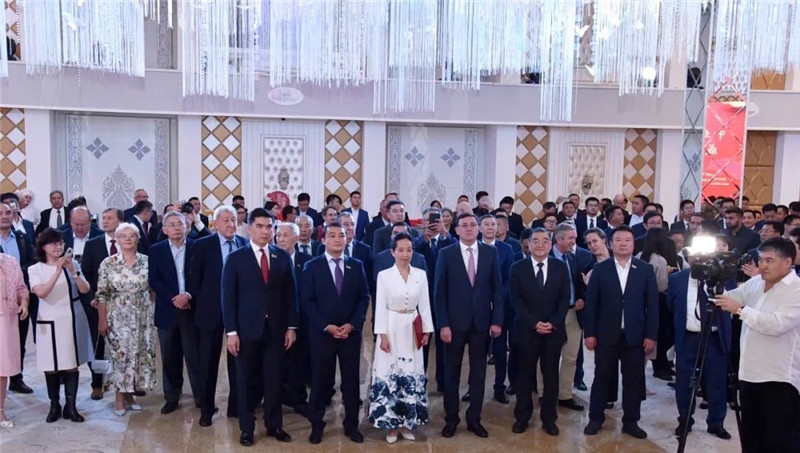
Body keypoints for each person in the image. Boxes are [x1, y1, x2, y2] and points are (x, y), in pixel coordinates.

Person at [714, 237, 800, 453]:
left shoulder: (796, 290)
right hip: (750, 374)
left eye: (769, 260)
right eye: (761, 260)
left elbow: (777, 325)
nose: (763, 266)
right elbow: (728, 298)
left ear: (787, 262)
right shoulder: (756, 282)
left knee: (779, 442)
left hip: (779, 378)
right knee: (752, 438)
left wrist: (740, 310)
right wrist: (714, 281)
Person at [222, 208, 297, 446]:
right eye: (260, 226)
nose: (265, 231)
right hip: (246, 330)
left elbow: (291, 295)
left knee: (274, 379)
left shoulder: (282, 256)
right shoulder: (236, 258)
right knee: (246, 381)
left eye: (269, 227)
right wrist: (231, 332)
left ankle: (274, 425)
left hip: (276, 330)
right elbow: (228, 297)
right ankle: (247, 428)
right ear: (250, 228)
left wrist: (291, 327)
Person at [583, 225, 659, 439]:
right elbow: (592, 304)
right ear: (610, 243)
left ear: (634, 244)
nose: (623, 243)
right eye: (618, 240)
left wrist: (651, 335)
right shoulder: (600, 269)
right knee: (602, 377)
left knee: (634, 380)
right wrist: (590, 333)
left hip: (636, 335)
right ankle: (596, 418)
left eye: (627, 240)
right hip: (606, 334)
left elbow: (653, 306)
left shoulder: (645, 269)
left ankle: (631, 421)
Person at [435, 213, 503, 439]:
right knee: (451, 374)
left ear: (479, 228)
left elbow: (497, 290)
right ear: (456, 230)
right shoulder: (446, 253)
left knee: (479, 374)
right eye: (464, 225)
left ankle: (474, 419)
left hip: (481, 323)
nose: (469, 228)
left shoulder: (490, 253)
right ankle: (451, 419)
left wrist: (497, 320)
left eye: (473, 224)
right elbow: (439, 293)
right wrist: (443, 324)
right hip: (453, 325)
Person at [302, 221, 370, 445]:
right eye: (332, 236)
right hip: (322, 335)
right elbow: (307, 301)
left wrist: (353, 324)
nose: (337, 239)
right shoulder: (312, 266)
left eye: (341, 235)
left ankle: (352, 424)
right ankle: (317, 424)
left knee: (351, 381)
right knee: (320, 381)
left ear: (347, 239)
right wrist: (326, 326)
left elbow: (364, 297)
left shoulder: (356, 265)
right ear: (323, 240)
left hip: (350, 334)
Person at [369, 232, 434, 444]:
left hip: (412, 328)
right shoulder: (384, 275)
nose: (405, 254)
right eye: (401, 250)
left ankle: (408, 423)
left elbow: (425, 305)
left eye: (409, 250)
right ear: (393, 252)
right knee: (391, 375)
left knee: (411, 374)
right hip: (392, 327)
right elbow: (380, 307)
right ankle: (392, 426)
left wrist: (427, 331)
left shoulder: (420, 275)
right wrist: (382, 335)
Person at [188, 205, 249, 426]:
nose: (231, 224)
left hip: (239, 313)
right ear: (215, 223)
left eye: (234, 220)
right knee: (208, 362)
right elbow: (194, 279)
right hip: (210, 312)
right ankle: (206, 409)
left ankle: (236, 407)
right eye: (226, 220)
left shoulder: (244, 244)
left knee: (238, 362)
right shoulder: (203, 245)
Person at [28, 228, 93, 423]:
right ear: (43, 247)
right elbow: (41, 293)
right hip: (48, 318)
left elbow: (85, 289)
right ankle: (54, 404)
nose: (58, 247)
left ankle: (71, 406)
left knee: (71, 362)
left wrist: (73, 271)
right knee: (51, 364)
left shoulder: (72, 264)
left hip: (71, 316)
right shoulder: (35, 269)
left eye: (60, 243)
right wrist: (57, 271)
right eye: (53, 243)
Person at [510, 228, 570, 436]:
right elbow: (515, 299)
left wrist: (552, 323)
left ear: (551, 244)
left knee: (551, 377)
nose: (540, 244)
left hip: (553, 332)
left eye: (545, 240)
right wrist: (534, 323)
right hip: (526, 331)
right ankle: (522, 417)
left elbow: (565, 299)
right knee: (524, 377)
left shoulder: (560, 267)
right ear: (529, 244)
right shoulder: (518, 267)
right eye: (536, 240)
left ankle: (549, 419)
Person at [667, 258, 733, 440]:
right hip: (688, 338)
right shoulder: (677, 279)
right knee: (684, 382)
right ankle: (685, 421)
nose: (699, 258)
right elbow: (671, 305)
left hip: (714, 338)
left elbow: (731, 302)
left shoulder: (722, 277)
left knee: (717, 382)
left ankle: (716, 423)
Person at [96, 223, 157, 416]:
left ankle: (130, 395)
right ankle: (119, 399)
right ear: (117, 239)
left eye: (132, 235)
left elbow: (154, 288)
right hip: (117, 317)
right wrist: (102, 320)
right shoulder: (108, 263)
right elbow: (102, 294)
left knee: (138, 354)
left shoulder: (147, 261)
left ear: (138, 239)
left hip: (142, 316)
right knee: (120, 356)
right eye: (124, 236)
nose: (128, 239)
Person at [148, 212, 202, 415]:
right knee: (170, 357)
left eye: (180, 223)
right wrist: (175, 298)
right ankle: (171, 397)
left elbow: (203, 276)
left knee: (195, 356)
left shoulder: (198, 246)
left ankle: (201, 397)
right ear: (164, 230)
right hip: (168, 309)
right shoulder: (156, 250)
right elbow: (154, 279)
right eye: (171, 224)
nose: (176, 228)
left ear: (187, 226)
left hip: (192, 309)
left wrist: (188, 295)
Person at [80, 208, 124, 401]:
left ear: (120, 221)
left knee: (126, 343)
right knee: (97, 344)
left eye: (110, 218)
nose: (105, 221)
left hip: (124, 303)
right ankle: (97, 383)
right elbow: (86, 274)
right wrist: (93, 298)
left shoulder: (129, 241)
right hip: (98, 303)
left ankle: (128, 384)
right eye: (103, 218)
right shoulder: (92, 244)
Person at [0, 251, 29, 428]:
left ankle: (0, 410)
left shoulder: (10, 261)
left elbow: (21, 288)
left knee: (2, 367)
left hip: (7, 319)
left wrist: (23, 302)